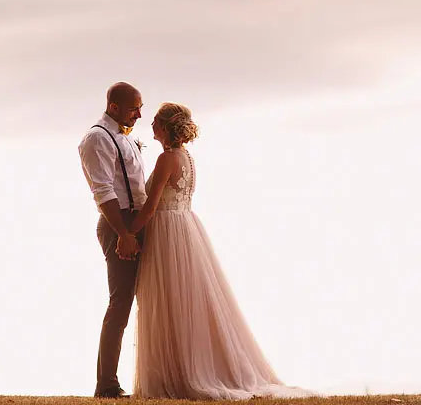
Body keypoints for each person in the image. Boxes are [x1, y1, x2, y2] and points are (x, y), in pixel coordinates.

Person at [130, 103, 306, 399]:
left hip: (168, 231)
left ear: (166, 127)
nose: (151, 125)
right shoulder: (187, 157)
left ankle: (181, 371)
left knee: (171, 299)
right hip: (185, 226)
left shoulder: (166, 159)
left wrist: (128, 233)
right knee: (186, 299)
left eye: (156, 121)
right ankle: (183, 365)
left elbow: (150, 206)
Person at [77, 82, 148, 398]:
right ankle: (106, 385)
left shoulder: (125, 137)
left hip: (137, 223)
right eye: (134, 108)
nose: (140, 114)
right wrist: (124, 233)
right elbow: (102, 191)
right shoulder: (96, 138)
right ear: (114, 106)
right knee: (120, 304)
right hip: (119, 224)